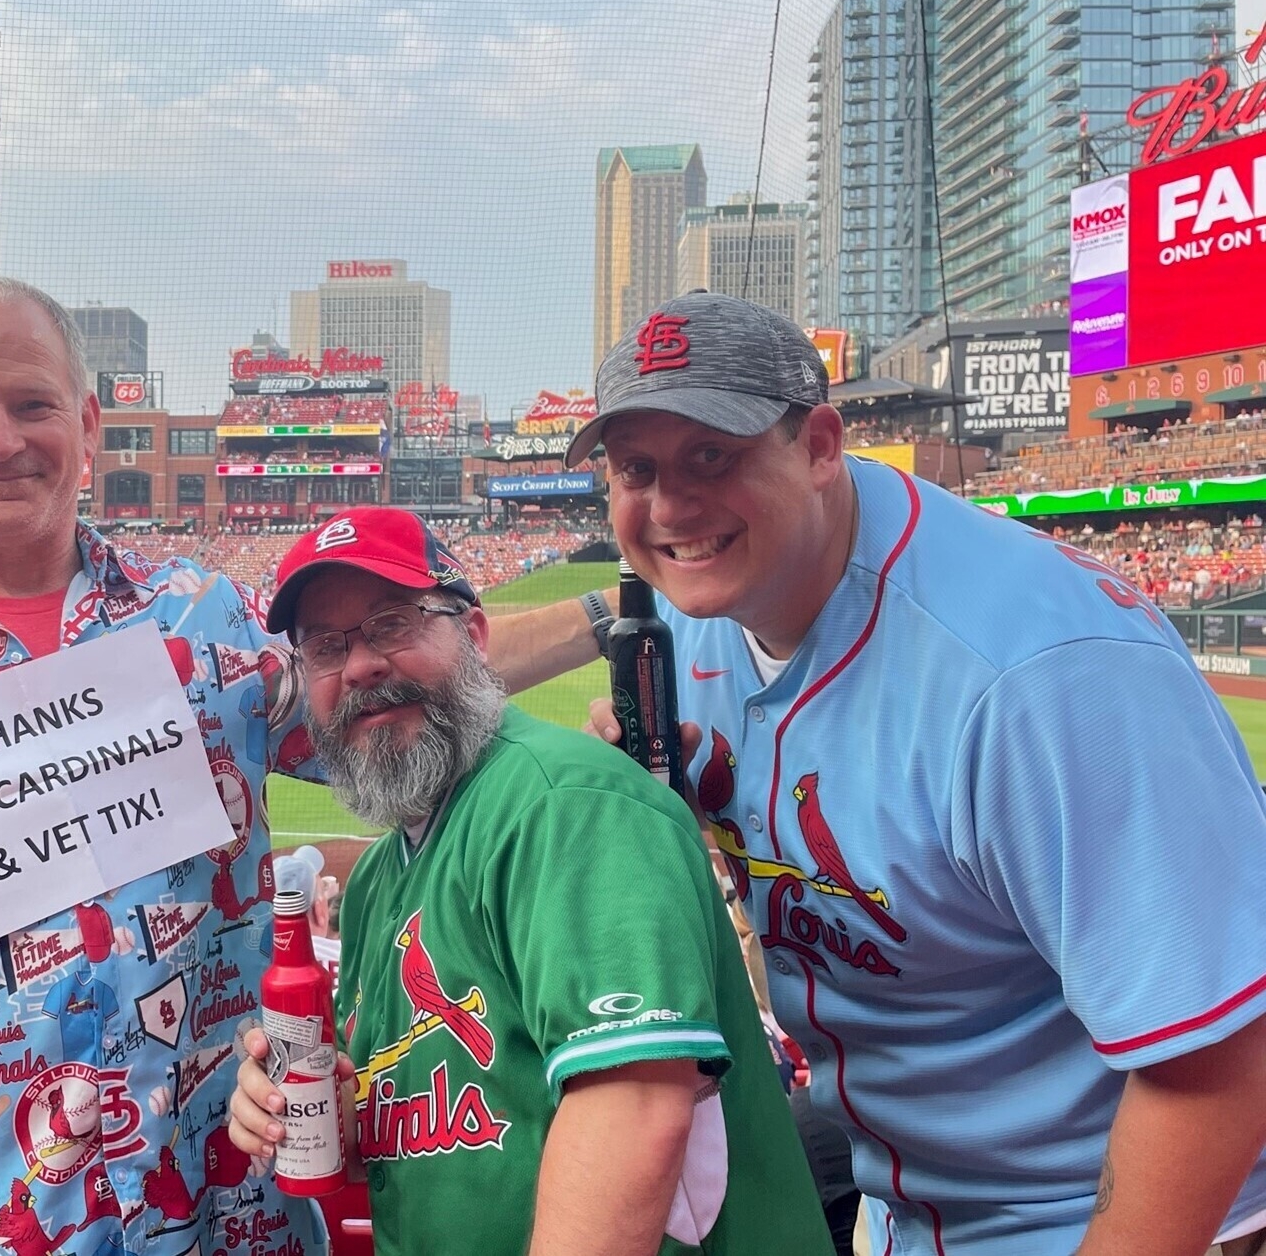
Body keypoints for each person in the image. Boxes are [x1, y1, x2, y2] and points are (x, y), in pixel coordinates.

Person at [0, 276, 605, 1255]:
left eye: (32, 405)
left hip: (216, 1202)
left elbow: (396, 683)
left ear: (89, 422)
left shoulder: (203, 615)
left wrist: (611, 618)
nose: (0, 439)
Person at [572, 290, 1266, 1256]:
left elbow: (1219, 1060)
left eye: (711, 456)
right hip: (907, 1190)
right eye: (635, 469)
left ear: (819, 446)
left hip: (1107, 1212)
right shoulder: (706, 610)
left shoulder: (1038, 674)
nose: (670, 505)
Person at [224, 508, 830, 1255]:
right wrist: (333, 1118)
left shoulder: (565, 804)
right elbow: (453, 1126)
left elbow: (633, 1109)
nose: (360, 666)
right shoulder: (383, 877)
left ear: (476, 639)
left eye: (391, 624)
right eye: (325, 646)